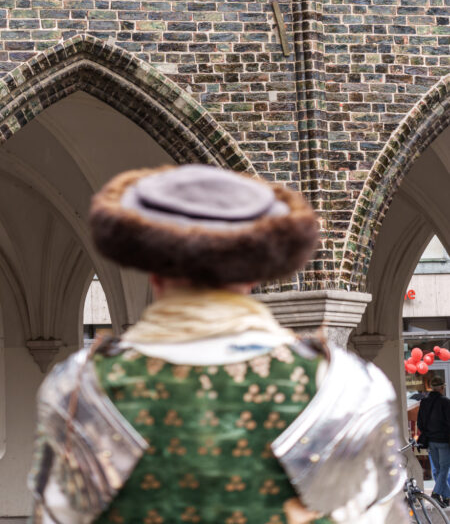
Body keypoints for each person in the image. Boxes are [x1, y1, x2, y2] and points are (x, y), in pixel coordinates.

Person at [29, 164, 407, 524]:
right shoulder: (349, 385)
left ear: (154, 275)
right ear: (252, 275)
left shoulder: (78, 385)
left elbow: (58, 515)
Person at [417, 374, 450, 505]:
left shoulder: (424, 402)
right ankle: (436, 493)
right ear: (441, 387)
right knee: (444, 469)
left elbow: (420, 423)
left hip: (430, 441)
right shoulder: (446, 402)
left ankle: (446, 497)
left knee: (437, 470)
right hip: (443, 441)